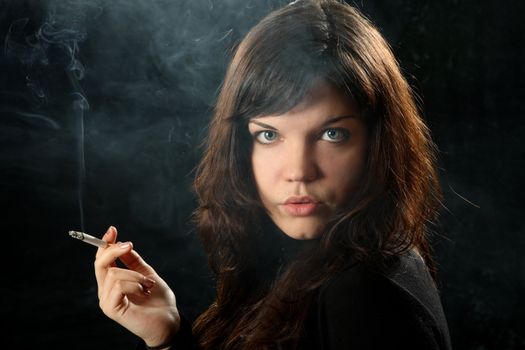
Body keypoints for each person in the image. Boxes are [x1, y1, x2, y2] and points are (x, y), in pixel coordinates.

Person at [94, 0, 452, 349]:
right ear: (240, 146)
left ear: (378, 142)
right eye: (269, 135)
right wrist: (168, 337)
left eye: (332, 134)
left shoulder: (364, 297)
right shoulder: (314, 261)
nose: (298, 171)